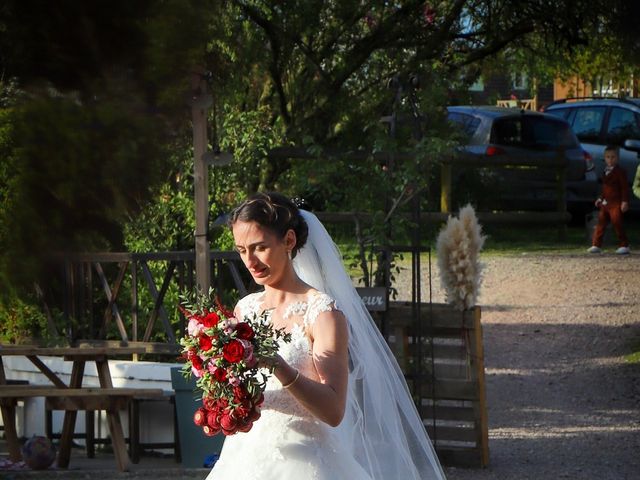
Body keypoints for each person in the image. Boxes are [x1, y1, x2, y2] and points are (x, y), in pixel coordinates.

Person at [207, 192, 446, 480]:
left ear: (289, 241)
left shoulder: (322, 313)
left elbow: (334, 411)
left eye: (259, 247)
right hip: (244, 458)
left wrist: (280, 366)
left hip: (307, 464)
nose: (250, 261)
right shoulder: (244, 309)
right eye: (242, 250)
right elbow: (242, 390)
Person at [588, 146, 630, 255]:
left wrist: (624, 201)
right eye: (608, 157)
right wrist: (600, 198)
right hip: (605, 203)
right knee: (601, 224)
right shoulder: (605, 171)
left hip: (616, 203)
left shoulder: (620, 172)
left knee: (617, 223)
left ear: (617, 158)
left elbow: (624, 187)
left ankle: (624, 245)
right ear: (604, 158)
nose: (610, 160)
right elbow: (605, 188)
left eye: (613, 157)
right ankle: (596, 245)